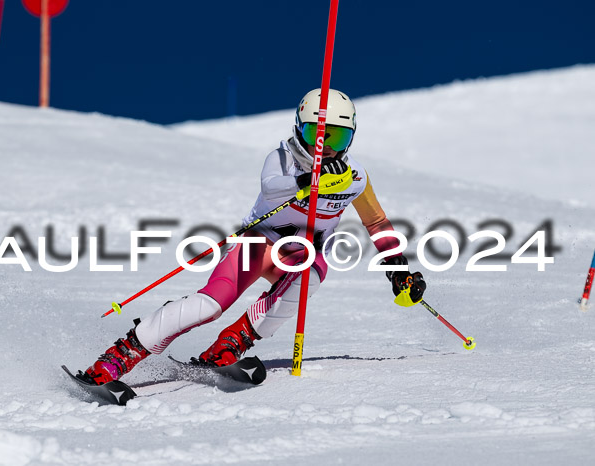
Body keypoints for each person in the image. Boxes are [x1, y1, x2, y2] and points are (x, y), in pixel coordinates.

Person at [79, 88, 427, 385]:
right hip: (257, 245)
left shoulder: (355, 178)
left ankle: (230, 345)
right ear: (299, 129)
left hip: (300, 255)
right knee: (210, 305)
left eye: (338, 138)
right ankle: (115, 360)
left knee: (312, 274)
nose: (326, 148)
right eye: (317, 136)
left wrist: (397, 268)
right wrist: (309, 181)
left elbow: (377, 223)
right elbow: (271, 188)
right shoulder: (283, 158)